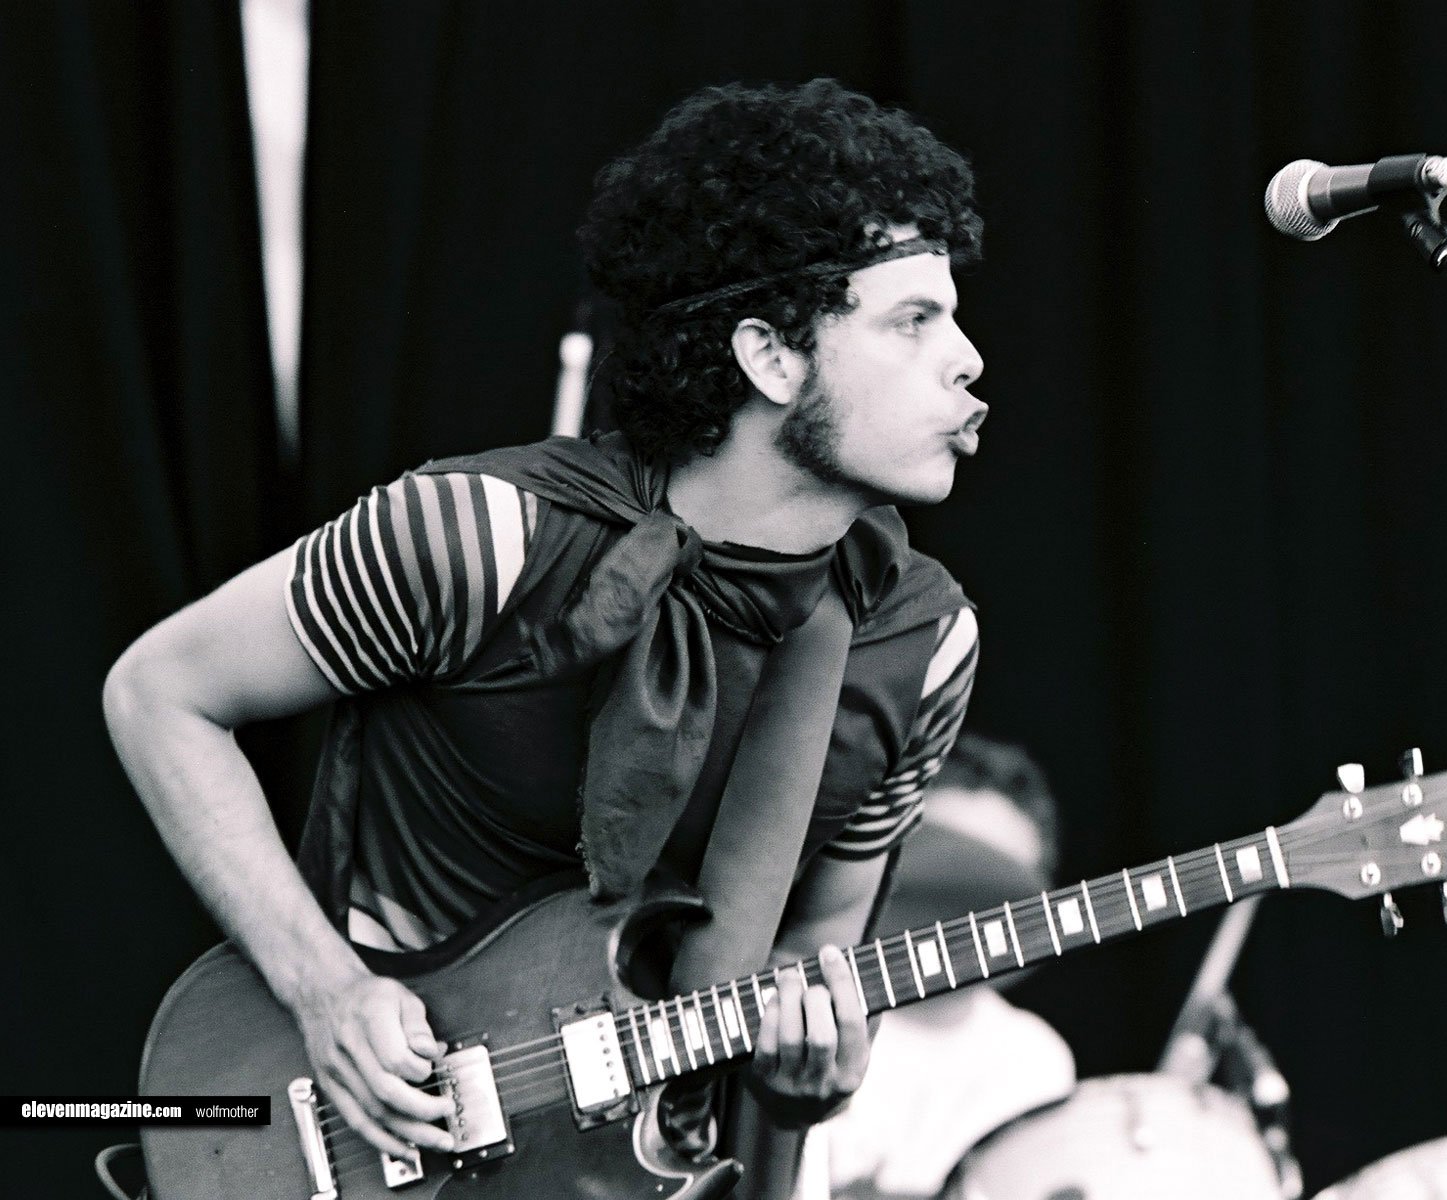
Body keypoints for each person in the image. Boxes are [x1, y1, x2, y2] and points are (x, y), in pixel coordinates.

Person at [103, 78, 987, 1197]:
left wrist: (812, 1077)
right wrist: (326, 989)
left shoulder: (921, 647)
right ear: (771, 356)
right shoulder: (484, 534)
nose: (969, 357)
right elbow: (159, 693)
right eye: (914, 320)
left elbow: (813, 962)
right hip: (352, 1136)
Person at [818, 733, 1077, 1200]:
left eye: (996, 895)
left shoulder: (1035, 1060)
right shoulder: (813, 1018)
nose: (963, 920)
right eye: (942, 872)